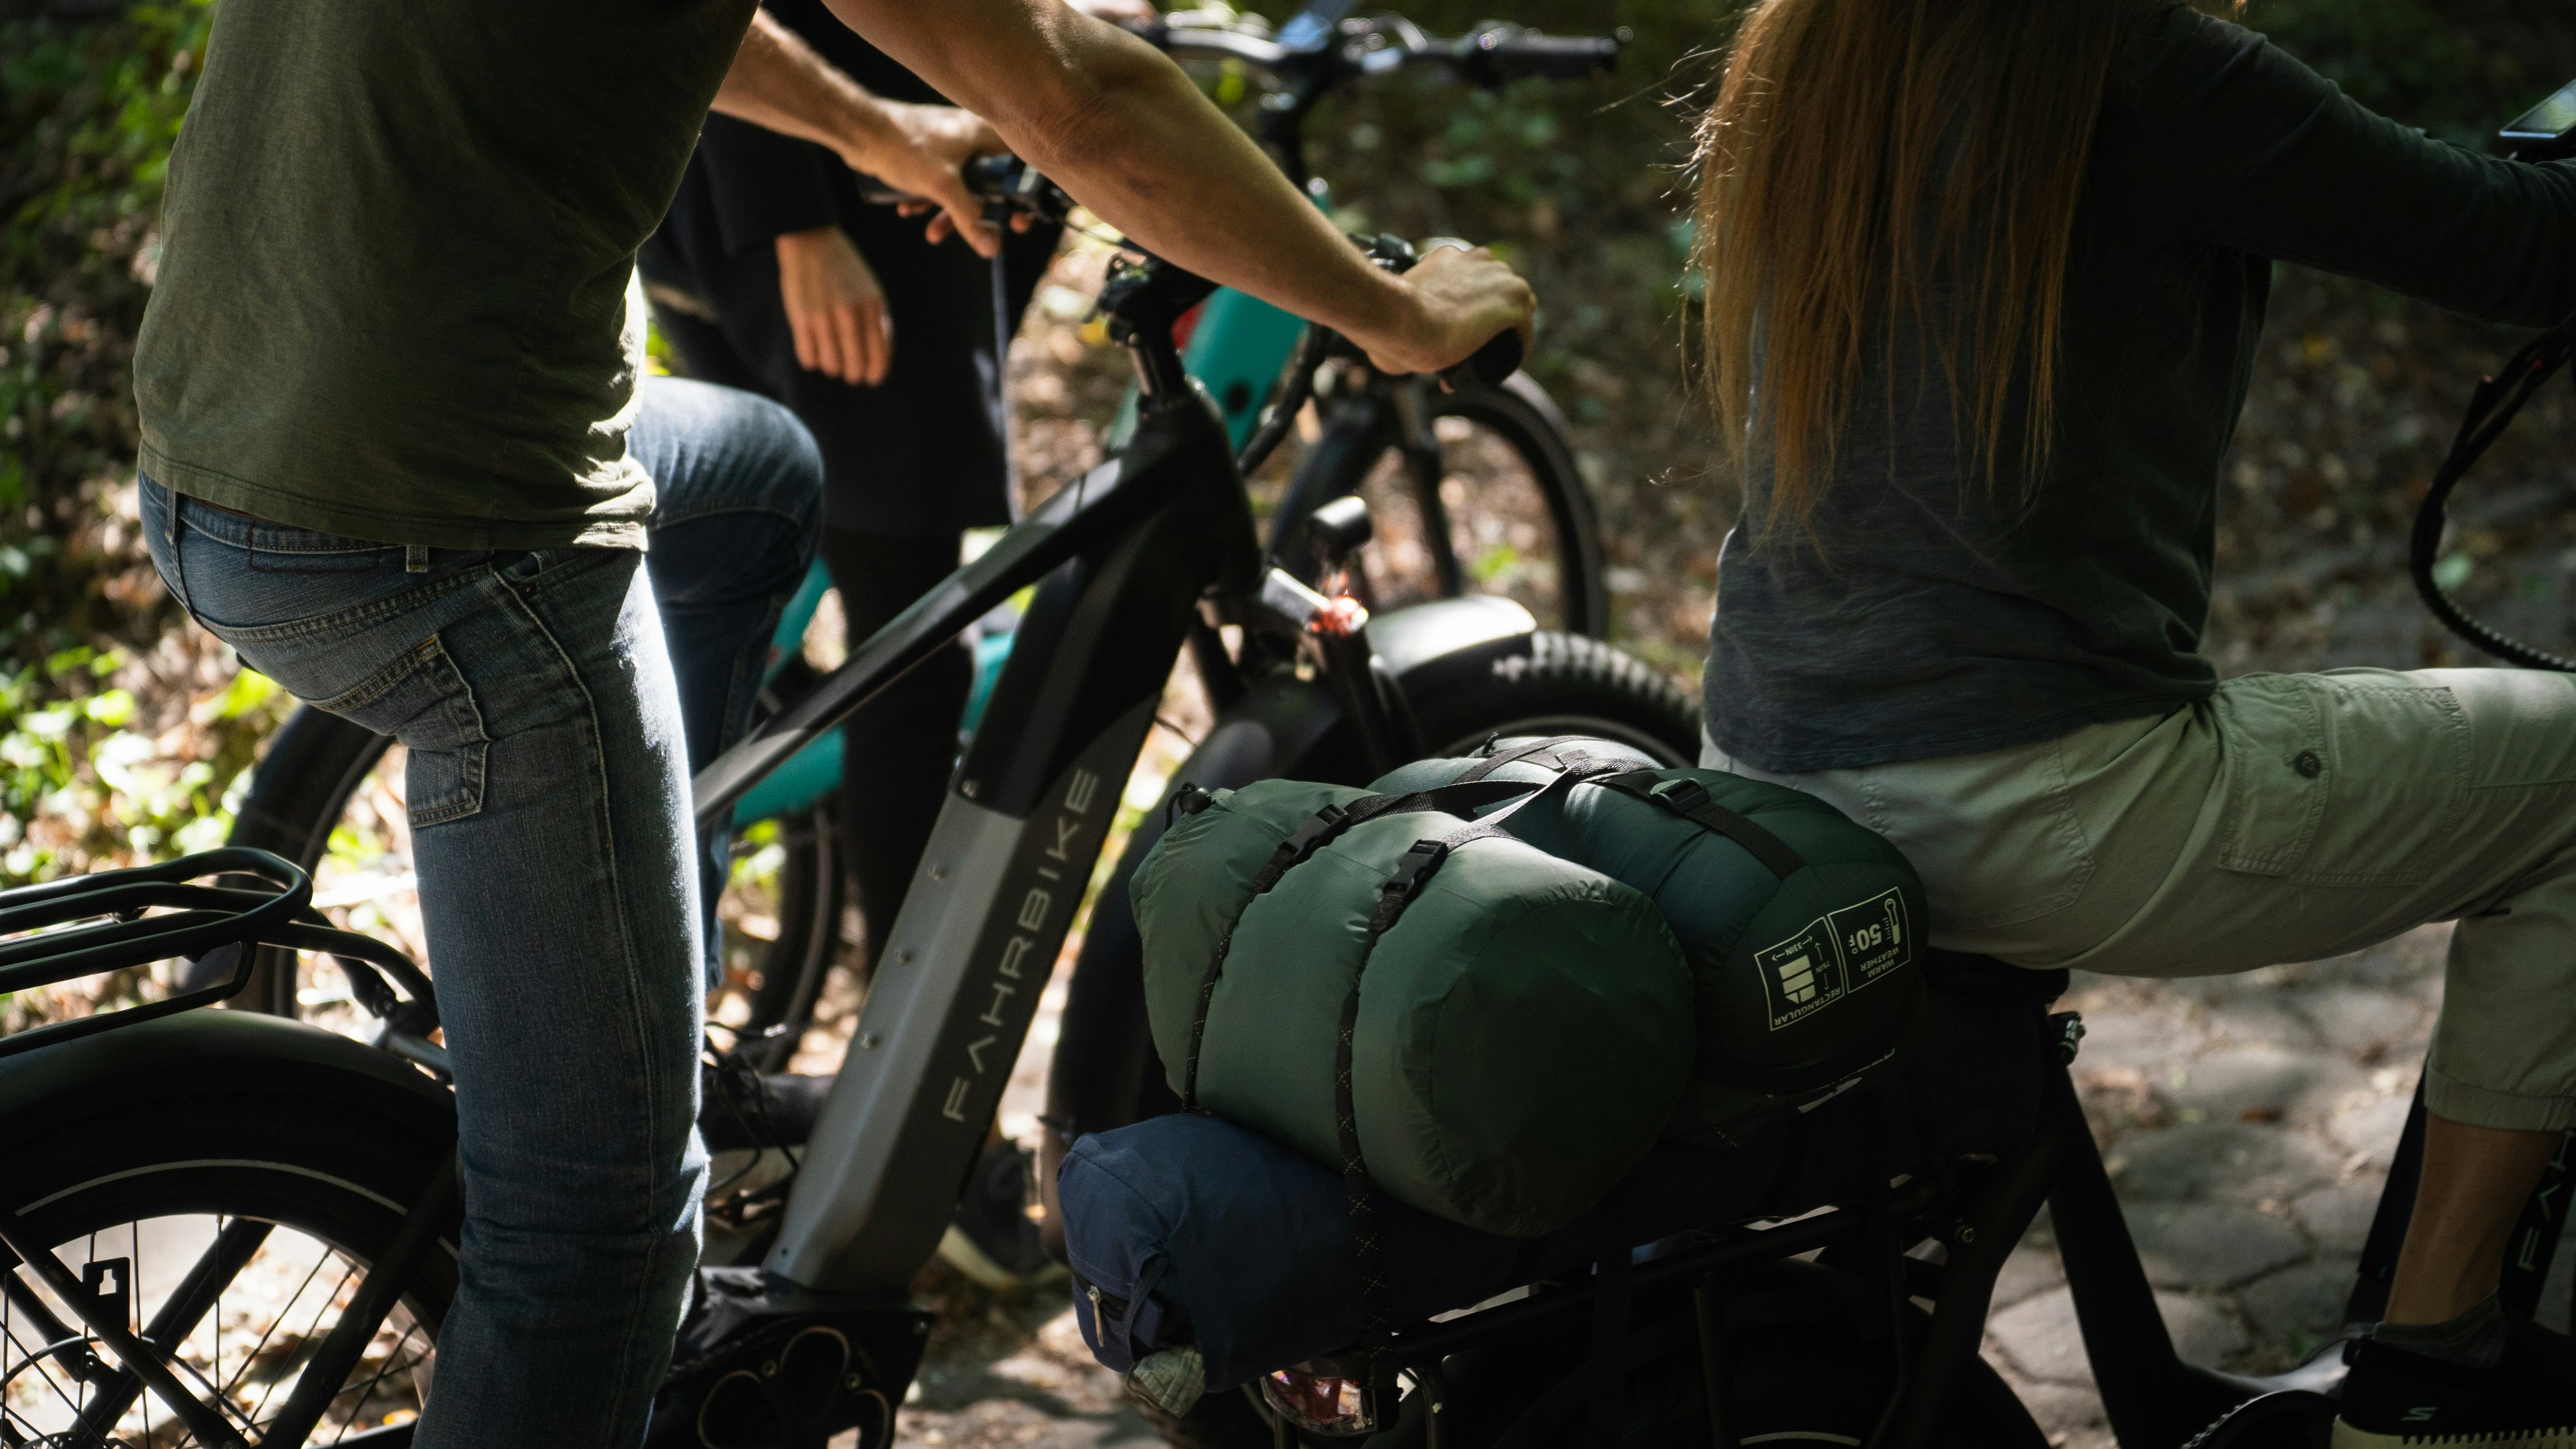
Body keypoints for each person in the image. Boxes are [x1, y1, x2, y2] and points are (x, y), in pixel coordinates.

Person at [129, 0, 1535, 1442]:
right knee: (599, 1232)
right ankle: (617, 1104)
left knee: (757, 474)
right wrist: (1394, 310)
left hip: (213, 454)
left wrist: (882, 132)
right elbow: (1081, 92)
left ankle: (634, 985)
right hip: (444, 531)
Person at [1691, 0, 2576, 1439]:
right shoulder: (2129, 61)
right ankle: (2436, 1365)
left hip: (1772, 778)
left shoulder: (1816, 43)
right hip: (2029, 796)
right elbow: (2520, 247)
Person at [639, 4, 1076, 1288]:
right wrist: (792, 216)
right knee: (912, 666)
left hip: (786, 182)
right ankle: (925, 1148)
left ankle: (708, 1104)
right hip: (825, 201)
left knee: (791, 604)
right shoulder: (812, 190)